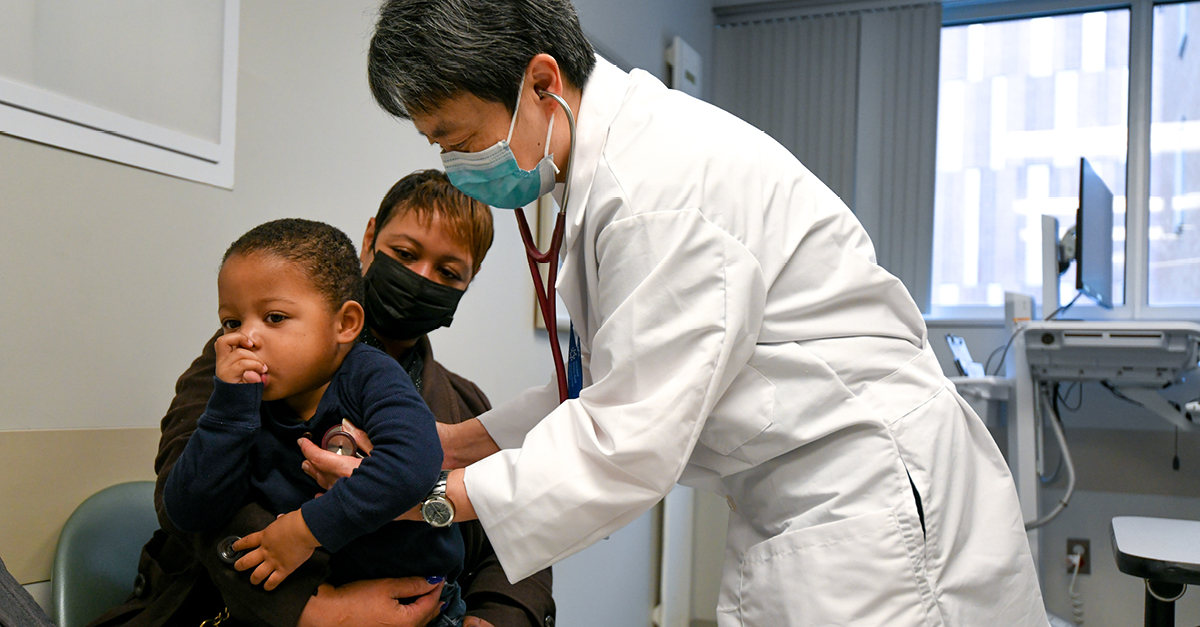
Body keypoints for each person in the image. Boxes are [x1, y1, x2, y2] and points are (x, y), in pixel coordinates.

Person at [304, 1, 1050, 625]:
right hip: (811, 497)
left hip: (870, 499)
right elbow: (611, 384)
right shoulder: (617, 164)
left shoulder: (655, 193)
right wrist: (454, 443)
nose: (455, 168)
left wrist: (419, 498)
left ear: (541, 83)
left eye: (460, 141)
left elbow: (623, 442)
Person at [89, 170, 554, 627]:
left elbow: (512, 529)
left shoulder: (466, 403)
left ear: (469, 281)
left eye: (447, 271)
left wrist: (497, 618)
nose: (419, 277)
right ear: (370, 237)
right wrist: (311, 608)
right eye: (405, 253)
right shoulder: (247, 362)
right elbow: (189, 505)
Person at [162, 218, 467, 627]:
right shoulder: (238, 398)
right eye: (232, 322)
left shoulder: (371, 376)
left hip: (418, 606)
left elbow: (413, 464)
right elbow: (189, 512)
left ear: (345, 325)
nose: (246, 338)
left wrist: (305, 530)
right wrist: (227, 413)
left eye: (274, 317)